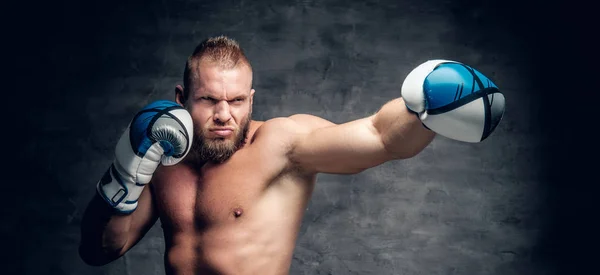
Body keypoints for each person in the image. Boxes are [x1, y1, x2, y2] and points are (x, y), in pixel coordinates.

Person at [79, 35, 505, 275]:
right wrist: (127, 171)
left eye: (237, 101)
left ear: (251, 98)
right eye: (209, 100)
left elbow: (380, 138)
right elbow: (101, 251)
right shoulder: (163, 154)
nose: (224, 115)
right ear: (181, 97)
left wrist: (424, 102)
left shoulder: (281, 145)